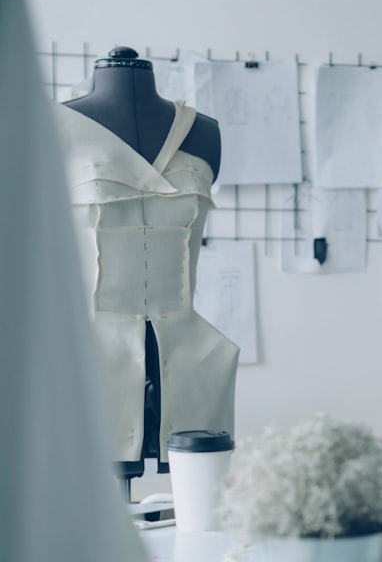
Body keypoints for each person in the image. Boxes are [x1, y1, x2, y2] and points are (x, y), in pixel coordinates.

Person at [54, 47, 239, 491]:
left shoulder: (204, 132)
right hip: (90, 354)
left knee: (198, 516)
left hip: (188, 351)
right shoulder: (52, 129)